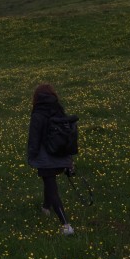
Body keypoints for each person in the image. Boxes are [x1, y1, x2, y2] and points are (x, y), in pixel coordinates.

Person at [27, 84, 75, 236]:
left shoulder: (38, 114)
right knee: (49, 183)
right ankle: (45, 208)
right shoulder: (58, 109)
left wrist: (31, 156)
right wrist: (69, 160)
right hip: (62, 154)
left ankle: (66, 225)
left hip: (46, 157)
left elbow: (34, 139)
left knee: (52, 188)